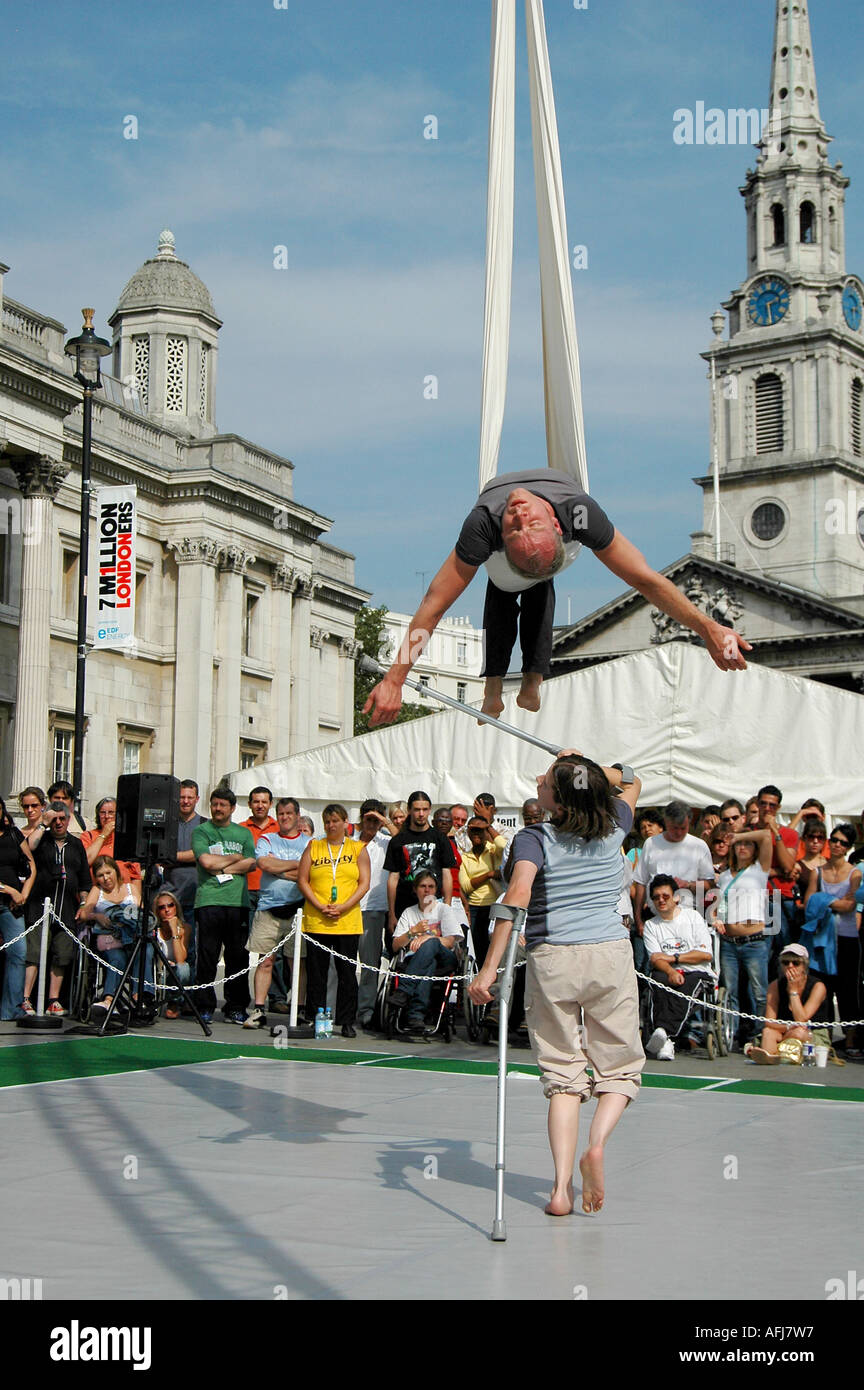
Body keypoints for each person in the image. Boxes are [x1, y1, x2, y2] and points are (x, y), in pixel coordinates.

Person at [363, 469, 750, 725]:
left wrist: (707, 627)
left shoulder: (538, 519)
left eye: (525, 525)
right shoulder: (524, 520)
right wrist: (396, 679)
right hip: (508, 569)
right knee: (509, 583)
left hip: (533, 564)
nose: (516, 515)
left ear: (555, 523)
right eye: (515, 529)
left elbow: (645, 580)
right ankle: (509, 685)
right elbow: (434, 604)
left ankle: (523, 682)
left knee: (522, 586)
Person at [470, 752, 643, 1217]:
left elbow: (517, 897)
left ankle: (561, 1191)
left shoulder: (534, 838)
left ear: (559, 803)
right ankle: (598, 1143)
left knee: (563, 1075)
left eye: (546, 782)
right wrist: (581, 765)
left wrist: (489, 971)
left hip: (554, 959)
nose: (538, 783)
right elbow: (631, 778)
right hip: (609, 953)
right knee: (620, 1068)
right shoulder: (615, 824)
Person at [298, 804, 370, 1038]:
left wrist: (344, 906)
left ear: (345, 822)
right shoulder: (314, 846)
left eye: (336, 821)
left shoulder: (357, 848)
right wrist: (320, 906)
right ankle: (318, 1020)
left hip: (347, 920)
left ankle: (347, 1020)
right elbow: (303, 880)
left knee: (347, 974)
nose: (331, 825)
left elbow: (364, 883)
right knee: (317, 974)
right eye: (327, 821)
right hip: (317, 919)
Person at [244, 798, 310, 1030]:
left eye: (289, 813)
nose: (284, 817)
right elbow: (265, 865)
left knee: (297, 963)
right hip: (268, 908)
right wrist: (293, 866)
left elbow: (307, 873)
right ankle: (259, 1009)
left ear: (297, 815)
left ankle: (299, 1009)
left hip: (298, 911)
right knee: (265, 961)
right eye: (280, 813)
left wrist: (280, 868)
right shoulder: (267, 839)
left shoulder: (309, 843)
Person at [192, 787, 257, 1024]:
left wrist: (221, 867)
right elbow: (206, 861)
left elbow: (251, 864)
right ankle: (205, 1005)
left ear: (232, 808)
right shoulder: (202, 831)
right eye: (214, 804)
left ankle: (236, 1006)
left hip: (237, 902)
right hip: (209, 900)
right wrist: (233, 860)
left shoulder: (243, 834)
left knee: (238, 956)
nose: (217, 809)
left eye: (222, 805)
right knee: (208, 955)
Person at [24, 802, 91, 1015]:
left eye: (62, 818)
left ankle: (54, 999)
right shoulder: (41, 839)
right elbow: (29, 846)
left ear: (68, 819)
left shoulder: (76, 844)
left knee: (61, 955)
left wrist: (83, 903)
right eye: (55, 819)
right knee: (34, 953)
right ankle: (26, 999)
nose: (58, 823)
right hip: (38, 907)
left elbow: (84, 881)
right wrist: (43, 822)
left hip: (66, 909)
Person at [642, 875, 715, 1059]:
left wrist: (673, 958)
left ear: (676, 897)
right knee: (657, 981)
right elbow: (655, 959)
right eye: (656, 897)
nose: (661, 900)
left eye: (665, 896)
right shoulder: (651, 925)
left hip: (697, 971)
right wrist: (670, 970)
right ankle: (666, 1040)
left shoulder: (693, 917)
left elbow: (705, 954)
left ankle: (663, 1033)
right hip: (667, 971)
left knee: (686, 984)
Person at [803, 823, 861, 1054]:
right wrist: (832, 902)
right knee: (821, 987)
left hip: (847, 937)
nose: (837, 845)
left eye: (843, 843)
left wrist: (823, 900)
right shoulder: (818, 870)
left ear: (848, 847)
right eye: (834, 840)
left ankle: (850, 1039)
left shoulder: (854, 873)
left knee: (848, 990)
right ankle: (822, 1037)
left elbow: (850, 905)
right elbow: (808, 903)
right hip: (821, 939)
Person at [715, 826, 773, 1049]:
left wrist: (737, 835)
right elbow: (720, 905)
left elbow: (766, 836)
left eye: (747, 843)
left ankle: (759, 1034)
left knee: (760, 992)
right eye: (739, 844)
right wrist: (717, 918)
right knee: (730, 992)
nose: (742, 847)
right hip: (729, 942)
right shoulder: (725, 875)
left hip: (754, 941)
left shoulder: (760, 869)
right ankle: (733, 1033)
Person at [391, 871, 464, 1035]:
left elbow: (450, 941)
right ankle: (416, 1015)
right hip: (417, 962)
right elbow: (395, 945)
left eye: (431, 887)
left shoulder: (443, 909)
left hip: (445, 959)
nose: (427, 890)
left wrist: (427, 938)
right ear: (415, 890)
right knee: (428, 964)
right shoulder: (409, 912)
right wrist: (413, 932)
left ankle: (403, 991)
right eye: (423, 886)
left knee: (431, 943)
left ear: (436, 890)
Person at [384, 791, 456, 950]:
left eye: (425, 809)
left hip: (432, 905)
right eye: (417, 809)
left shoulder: (440, 838)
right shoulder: (398, 841)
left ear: (430, 810)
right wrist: (391, 913)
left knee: (432, 949)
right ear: (409, 810)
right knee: (401, 951)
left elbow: (446, 874)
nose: (421, 814)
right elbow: (392, 879)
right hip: (404, 905)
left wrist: (447, 907)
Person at [632, 801, 714, 931]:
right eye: (674, 828)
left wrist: (688, 885)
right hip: (654, 917)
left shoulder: (699, 846)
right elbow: (641, 882)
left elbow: (709, 885)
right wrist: (638, 918)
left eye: (683, 828)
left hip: (687, 918)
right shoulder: (651, 843)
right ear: (666, 822)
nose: (679, 832)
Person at [78, 856, 143, 1015]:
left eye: (108, 872)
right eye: (100, 875)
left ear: (116, 871)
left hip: (130, 935)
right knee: (117, 957)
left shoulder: (130, 889)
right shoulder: (97, 891)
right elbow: (84, 913)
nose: (106, 878)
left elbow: (141, 912)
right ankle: (109, 999)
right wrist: (97, 916)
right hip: (108, 937)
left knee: (144, 951)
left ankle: (139, 996)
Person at [746, 943, 831, 1064]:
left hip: (812, 1032)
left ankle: (776, 1049)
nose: (790, 966)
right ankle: (770, 1057)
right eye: (786, 963)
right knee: (767, 1032)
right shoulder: (775, 985)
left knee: (799, 1032)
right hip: (785, 1029)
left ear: (804, 966)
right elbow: (769, 1021)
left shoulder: (818, 987)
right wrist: (788, 1028)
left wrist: (793, 991)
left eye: (796, 963)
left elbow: (801, 1020)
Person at [356, 799, 397, 1028]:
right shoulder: (350, 841)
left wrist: (384, 821)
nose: (371, 823)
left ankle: (366, 1011)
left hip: (375, 908)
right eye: (368, 818)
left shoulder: (387, 841)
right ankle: (341, 1007)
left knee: (370, 965)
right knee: (342, 964)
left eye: (375, 819)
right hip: (349, 907)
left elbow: (403, 841)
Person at [0, 796, 35, 1019]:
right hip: (7, 895)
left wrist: (23, 894)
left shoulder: (13, 834)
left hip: (11, 906)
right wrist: (9, 889)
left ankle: (10, 1009)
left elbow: (31, 864)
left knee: (18, 953)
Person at [458, 816, 507, 969]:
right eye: (473, 830)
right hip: (474, 908)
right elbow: (465, 886)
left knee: (495, 950)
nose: (477, 834)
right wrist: (489, 874)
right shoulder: (465, 857)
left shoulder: (494, 851)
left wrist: (489, 827)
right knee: (479, 951)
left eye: (481, 830)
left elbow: (505, 846)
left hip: (494, 907)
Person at [152, 889, 193, 1019]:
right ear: (157, 912)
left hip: (174, 970)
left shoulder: (185, 928)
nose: (167, 909)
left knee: (184, 968)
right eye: (162, 907)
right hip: (158, 968)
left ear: (176, 907)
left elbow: (180, 959)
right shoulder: (154, 929)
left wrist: (174, 929)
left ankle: (174, 1003)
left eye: (170, 905)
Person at [81, 797, 142, 883]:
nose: (106, 816)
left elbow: (135, 874)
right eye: (102, 813)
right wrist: (103, 835)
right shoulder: (88, 836)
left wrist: (136, 896)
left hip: (123, 890)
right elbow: (85, 861)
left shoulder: (127, 839)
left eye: (111, 813)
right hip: (97, 889)